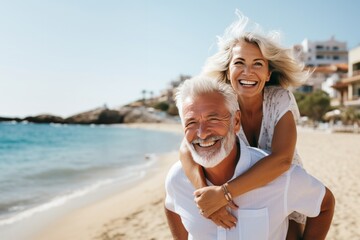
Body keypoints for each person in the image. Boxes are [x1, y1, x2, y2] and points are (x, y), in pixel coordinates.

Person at [179, 10, 310, 238]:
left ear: (268, 73)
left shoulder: (280, 99)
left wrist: (223, 194)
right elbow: (185, 150)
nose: (248, 72)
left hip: (281, 185)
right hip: (238, 194)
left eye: (258, 64)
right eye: (239, 62)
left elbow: (282, 160)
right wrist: (205, 194)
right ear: (228, 70)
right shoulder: (220, 103)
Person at [165, 75, 335, 239]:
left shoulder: (282, 178)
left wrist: (224, 194)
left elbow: (325, 205)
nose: (202, 134)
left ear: (236, 122)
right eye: (191, 122)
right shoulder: (177, 179)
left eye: (214, 119)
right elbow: (172, 206)